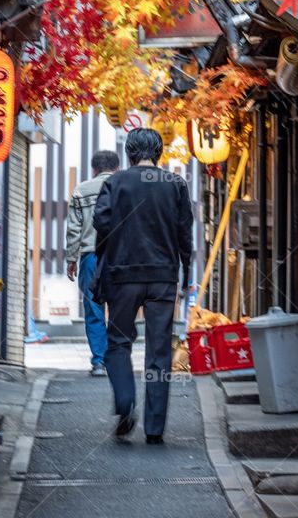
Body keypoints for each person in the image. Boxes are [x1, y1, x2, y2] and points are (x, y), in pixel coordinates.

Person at [93, 128, 193, 444]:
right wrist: (186, 271)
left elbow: (101, 223)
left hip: (123, 275)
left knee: (118, 343)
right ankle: (154, 428)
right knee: (159, 351)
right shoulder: (175, 184)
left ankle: (125, 404)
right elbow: (184, 233)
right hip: (163, 276)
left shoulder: (115, 182)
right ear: (158, 152)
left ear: (130, 153)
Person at [66, 150, 120, 377]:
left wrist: (71, 258)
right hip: (120, 256)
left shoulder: (82, 190)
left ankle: (99, 361)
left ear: (94, 169)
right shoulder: (124, 188)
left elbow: (74, 228)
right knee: (120, 309)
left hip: (90, 256)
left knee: (94, 309)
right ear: (116, 168)